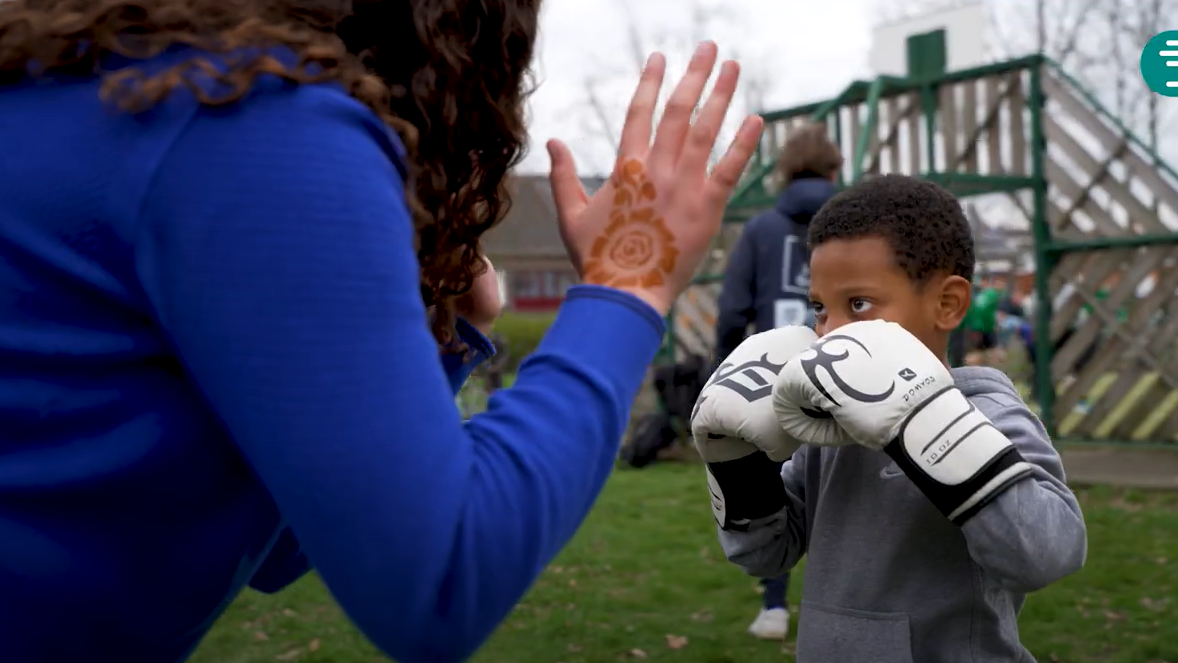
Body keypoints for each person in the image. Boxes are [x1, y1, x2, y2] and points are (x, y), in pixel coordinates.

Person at [0, 1, 765, 660]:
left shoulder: (116, 81)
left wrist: (448, 334)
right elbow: (439, 584)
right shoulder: (247, 111)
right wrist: (628, 284)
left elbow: (296, 533)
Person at [692, 174, 1087, 662]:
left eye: (858, 304)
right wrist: (738, 465)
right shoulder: (824, 431)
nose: (831, 330)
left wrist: (932, 424)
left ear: (947, 304)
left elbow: (1046, 555)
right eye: (820, 308)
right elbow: (765, 554)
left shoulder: (987, 412)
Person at [712, 122, 841, 640]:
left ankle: (775, 605)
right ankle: (856, 603)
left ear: (784, 173)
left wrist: (725, 377)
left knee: (777, 487)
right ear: (834, 170)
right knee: (848, 478)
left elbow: (730, 312)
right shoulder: (857, 223)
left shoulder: (761, 231)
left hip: (775, 379)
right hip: (850, 370)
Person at [965, 274, 1002, 366]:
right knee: (990, 351)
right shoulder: (990, 294)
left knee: (979, 351)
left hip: (977, 326)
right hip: (986, 326)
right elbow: (986, 311)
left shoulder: (978, 295)